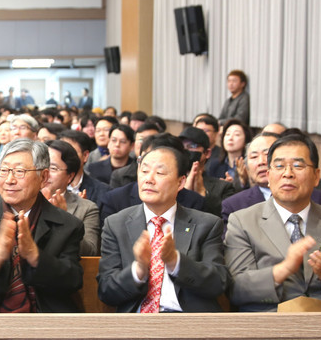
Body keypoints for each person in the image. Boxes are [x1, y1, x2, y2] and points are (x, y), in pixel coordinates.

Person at [225, 132, 321, 311]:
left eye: (298, 165)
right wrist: (283, 269)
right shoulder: (242, 221)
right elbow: (236, 290)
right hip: (269, 325)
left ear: (316, 176)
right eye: (279, 166)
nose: (288, 174)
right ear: (268, 176)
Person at [0, 139, 84, 313]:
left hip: (44, 321)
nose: (9, 180)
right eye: (3, 171)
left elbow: (72, 281)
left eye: (19, 172)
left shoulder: (68, 224)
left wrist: (35, 256)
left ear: (43, 177)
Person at [98, 143, 229, 313]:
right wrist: (138, 270)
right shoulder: (116, 224)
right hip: (136, 323)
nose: (149, 179)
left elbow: (218, 283)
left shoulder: (207, 225)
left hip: (188, 324)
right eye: (144, 171)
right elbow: (106, 290)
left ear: (181, 182)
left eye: (159, 173)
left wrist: (175, 261)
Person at [220, 132, 321, 232]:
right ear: (246, 166)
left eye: (266, 154)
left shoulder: (318, 197)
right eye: (254, 157)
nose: (261, 162)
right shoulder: (234, 206)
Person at [42, 140, 100, 255]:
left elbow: (90, 251)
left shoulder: (87, 208)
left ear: (70, 176)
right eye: (42, 166)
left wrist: (63, 219)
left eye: (53, 168)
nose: (45, 173)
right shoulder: (23, 200)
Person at [178, 126, 236, 219]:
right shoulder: (171, 184)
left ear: (207, 153)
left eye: (192, 146)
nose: (186, 151)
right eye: (182, 147)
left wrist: (203, 194)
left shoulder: (223, 188)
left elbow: (223, 220)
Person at [110, 122, 162, 189]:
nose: (146, 144)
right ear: (134, 144)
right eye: (141, 140)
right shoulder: (119, 175)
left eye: (151, 140)